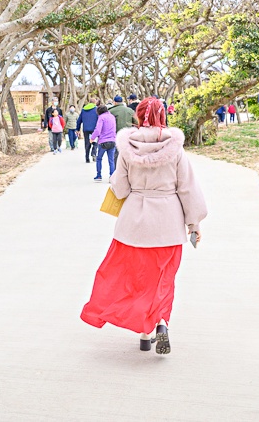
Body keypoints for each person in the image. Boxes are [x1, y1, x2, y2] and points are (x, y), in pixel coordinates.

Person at [81, 97, 207, 355]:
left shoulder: (127, 148)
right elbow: (187, 189)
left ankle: (143, 333)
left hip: (133, 226)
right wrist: (194, 224)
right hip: (167, 225)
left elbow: (121, 187)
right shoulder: (176, 149)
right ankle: (161, 323)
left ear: (138, 115)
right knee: (163, 279)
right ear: (163, 116)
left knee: (138, 280)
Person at [91, 104, 117, 181]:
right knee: (111, 160)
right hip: (112, 140)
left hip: (103, 142)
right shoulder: (112, 116)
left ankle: (99, 175)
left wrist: (92, 138)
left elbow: (98, 130)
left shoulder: (101, 117)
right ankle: (112, 176)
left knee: (99, 158)